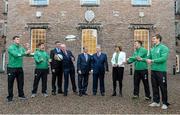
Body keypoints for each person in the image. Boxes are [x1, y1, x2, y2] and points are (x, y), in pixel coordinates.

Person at [139, 34, 170, 110]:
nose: (152, 40)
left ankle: (165, 103)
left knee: (163, 87)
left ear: (158, 39)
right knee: (154, 86)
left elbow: (163, 58)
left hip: (161, 71)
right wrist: (141, 59)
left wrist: (153, 61)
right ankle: (156, 102)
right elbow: (148, 58)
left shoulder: (164, 48)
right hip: (153, 70)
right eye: (152, 39)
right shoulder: (152, 49)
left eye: (154, 39)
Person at [6, 36, 31, 102]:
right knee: (10, 83)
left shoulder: (21, 47)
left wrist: (28, 48)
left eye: (19, 39)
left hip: (19, 68)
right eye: (17, 39)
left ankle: (21, 95)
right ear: (13, 40)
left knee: (21, 82)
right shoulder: (11, 47)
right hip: (11, 68)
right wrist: (25, 53)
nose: (18, 40)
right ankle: (10, 97)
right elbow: (16, 55)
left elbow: (28, 55)